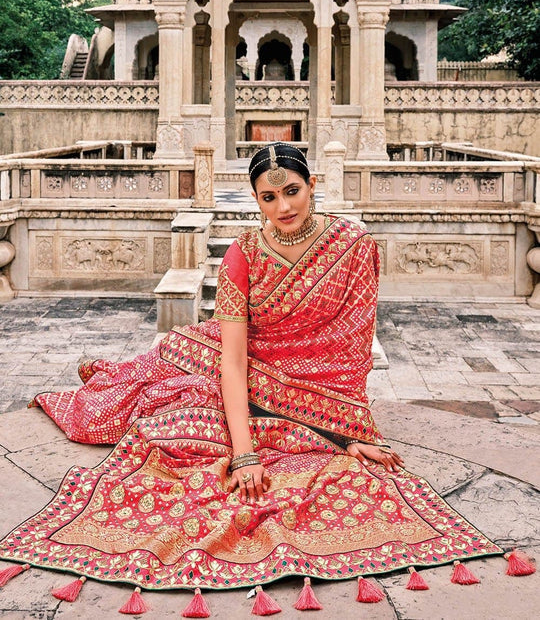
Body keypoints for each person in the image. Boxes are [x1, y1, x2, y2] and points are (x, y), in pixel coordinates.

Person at [0, 143, 501, 591]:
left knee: (186, 416)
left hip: (312, 387)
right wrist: (244, 455)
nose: (283, 206)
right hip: (233, 361)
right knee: (166, 416)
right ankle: (109, 377)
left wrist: (350, 427)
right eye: (268, 197)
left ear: (311, 185)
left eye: (292, 190)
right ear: (256, 199)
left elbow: (349, 350)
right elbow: (233, 360)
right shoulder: (243, 253)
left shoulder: (353, 246)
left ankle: (117, 372)